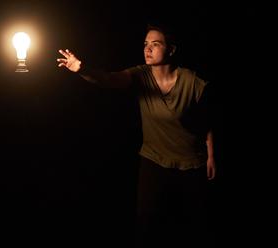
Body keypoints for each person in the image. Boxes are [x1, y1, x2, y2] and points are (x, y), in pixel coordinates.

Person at [57, 24, 216, 247]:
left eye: (155, 44)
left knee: (194, 225)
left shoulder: (191, 81)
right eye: (145, 44)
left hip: (191, 163)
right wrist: (82, 69)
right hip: (154, 160)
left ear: (171, 50)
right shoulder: (141, 75)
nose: (147, 49)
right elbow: (109, 79)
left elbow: (208, 121)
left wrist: (211, 156)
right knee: (147, 224)